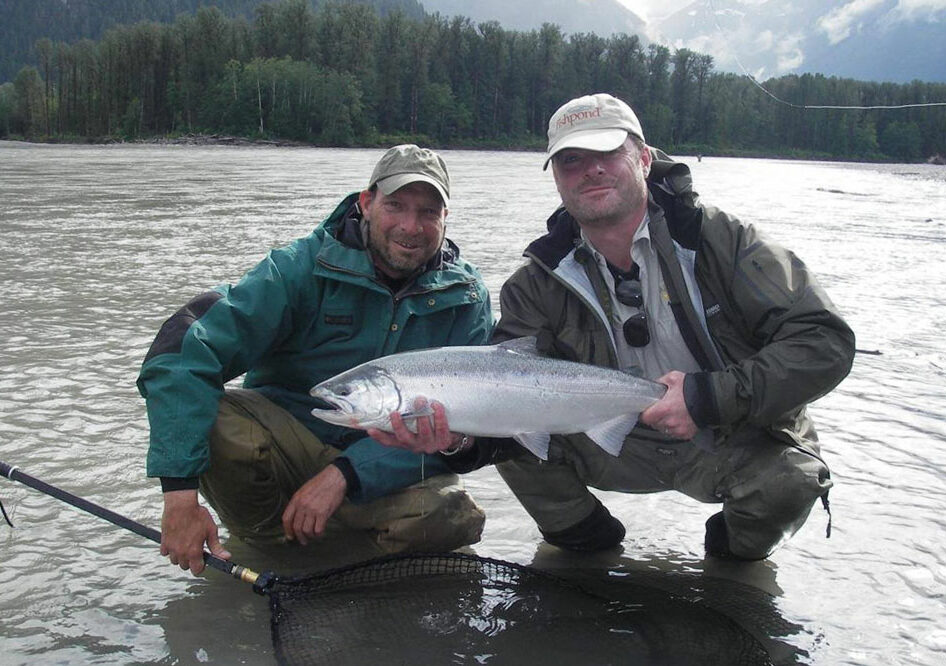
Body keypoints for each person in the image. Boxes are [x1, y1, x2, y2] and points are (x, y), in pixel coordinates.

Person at [375, 94, 855, 561]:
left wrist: (707, 397)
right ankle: (589, 554)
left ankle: (729, 559)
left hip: (728, 428)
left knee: (790, 479)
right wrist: (458, 442)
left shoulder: (724, 242)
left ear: (644, 159)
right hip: (608, 439)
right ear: (557, 179)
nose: (591, 169)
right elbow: (503, 402)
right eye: (572, 160)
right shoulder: (535, 282)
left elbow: (825, 342)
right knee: (519, 448)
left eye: (608, 152)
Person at [137, 144, 493, 575]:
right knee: (217, 419)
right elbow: (183, 349)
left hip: (383, 465)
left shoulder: (467, 297)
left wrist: (344, 474)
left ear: (445, 218)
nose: (411, 226)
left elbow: (465, 433)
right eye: (395, 205)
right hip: (288, 442)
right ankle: (274, 547)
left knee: (451, 517)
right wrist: (179, 495)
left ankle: (351, 553)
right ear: (366, 203)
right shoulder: (298, 267)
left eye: (428, 212)